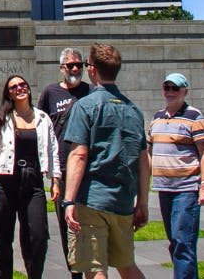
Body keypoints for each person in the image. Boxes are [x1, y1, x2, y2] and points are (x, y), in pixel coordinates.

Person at [63, 44, 150, 279]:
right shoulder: (135, 111)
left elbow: (79, 155)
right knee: (127, 265)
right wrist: (143, 202)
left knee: (94, 268)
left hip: (92, 201)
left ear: (92, 71)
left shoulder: (85, 106)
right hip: (123, 201)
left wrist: (69, 199)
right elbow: (144, 160)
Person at [0, 75, 61, 279]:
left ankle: (34, 275)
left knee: (37, 236)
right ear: (9, 93)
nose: (19, 88)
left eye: (22, 85)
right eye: (14, 87)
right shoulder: (3, 119)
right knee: (3, 238)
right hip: (6, 183)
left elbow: (53, 149)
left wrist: (55, 179)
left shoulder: (43, 118)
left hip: (32, 182)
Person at [148, 73, 204, 279]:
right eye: (166, 87)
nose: (169, 92)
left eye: (174, 88)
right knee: (175, 242)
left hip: (186, 189)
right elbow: (149, 153)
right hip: (164, 188)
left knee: (183, 242)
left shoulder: (195, 117)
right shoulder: (157, 118)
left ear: (185, 91)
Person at [37, 47, 91, 279]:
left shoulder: (91, 91)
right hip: (63, 168)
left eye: (80, 64)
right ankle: (75, 272)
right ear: (62, 68)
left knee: (89, 223)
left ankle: (91, 268)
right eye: (71, 65)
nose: (76, 69)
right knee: (67, 223)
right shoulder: (50, 93)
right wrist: (51, 173)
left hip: (88, 168)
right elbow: (42, 128)